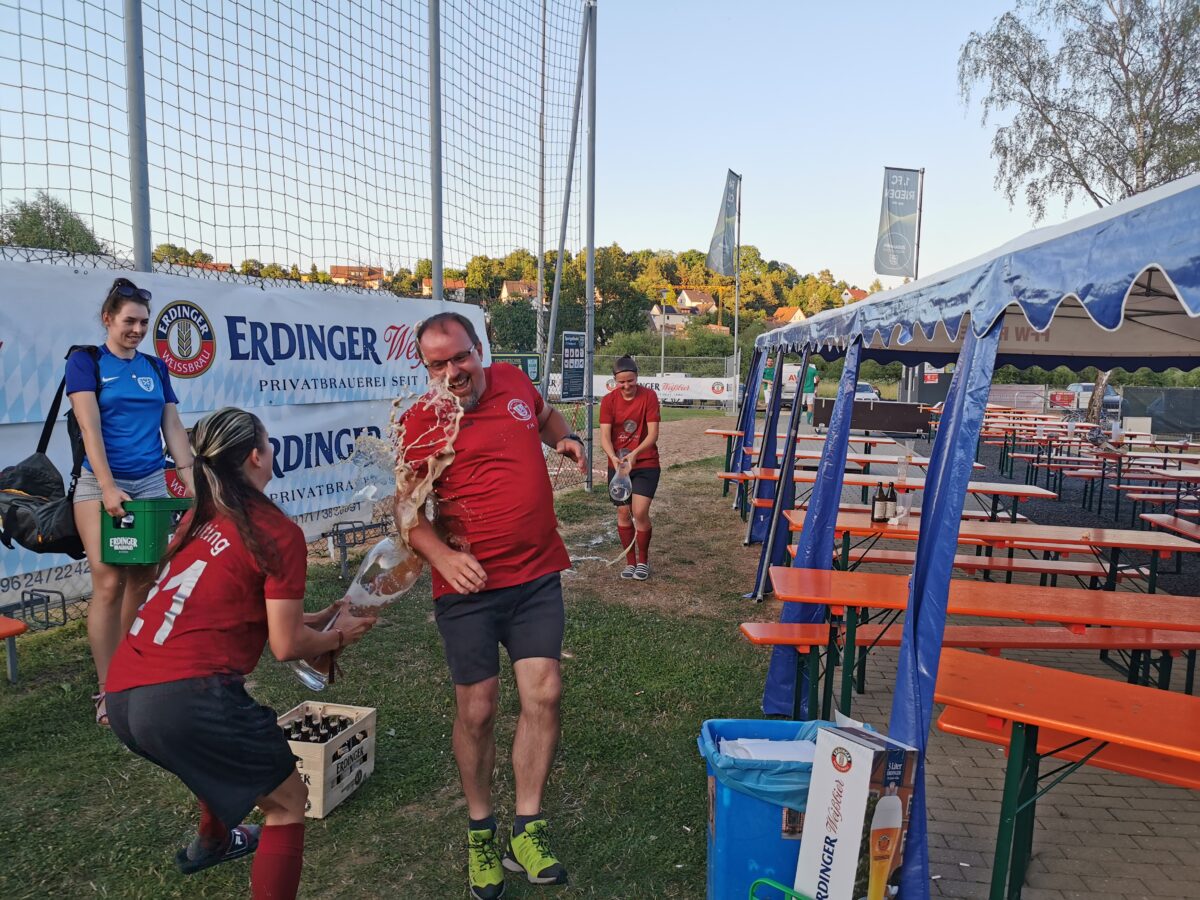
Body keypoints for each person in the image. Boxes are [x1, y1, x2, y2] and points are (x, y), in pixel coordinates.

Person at [105, 407, 375, 899]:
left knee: (210, 757)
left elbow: (242, 609)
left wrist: (314, 618)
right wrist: (338, 638)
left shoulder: (200, 516)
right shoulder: (276, 531)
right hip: (182, 700)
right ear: (256, 456)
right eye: (269, 444)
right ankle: (219, 839)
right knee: (288, 803)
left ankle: (213, 839)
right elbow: (286, 645)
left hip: (126, 695)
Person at [398, 312, 586, 900]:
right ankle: (481, 830)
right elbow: (406, 516)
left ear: (479, 350)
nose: (452, 372)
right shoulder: (421, 422)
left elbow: (545, 414)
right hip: (468, 589)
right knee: (477, 711)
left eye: (460, 357)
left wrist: (564, 437)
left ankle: (526, 828)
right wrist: (443, 560)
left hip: (534, 576)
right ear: (426, 369)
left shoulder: (512, 382)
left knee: (545, 692)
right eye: (438, 364)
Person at [66, 277, 195, 726]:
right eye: (129, 320)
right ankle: (107, 688)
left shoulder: (156, 367)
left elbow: (172, 427)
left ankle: (131, 671)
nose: (137, 329)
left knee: (143, 579)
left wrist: (191, 481)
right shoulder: (86, 362)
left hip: (149, 486)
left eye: (143, 322)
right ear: (108, 318)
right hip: (98, 486)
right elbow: (89, 427)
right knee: (106, 583)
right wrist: (106, 486)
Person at [598, 356, 661, 580]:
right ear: (615, 381)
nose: (626, 386)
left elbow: (653, 434)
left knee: (640, 512)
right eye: (621, 382)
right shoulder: (608, 401)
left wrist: (634, 454)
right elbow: (604, 436)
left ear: (637, 377)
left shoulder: (649, 396)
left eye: (630, 381)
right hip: (619, 465)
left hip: (645, 462)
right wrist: (614, 458)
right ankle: (630, 562)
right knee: (623, 512)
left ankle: (643, 561)